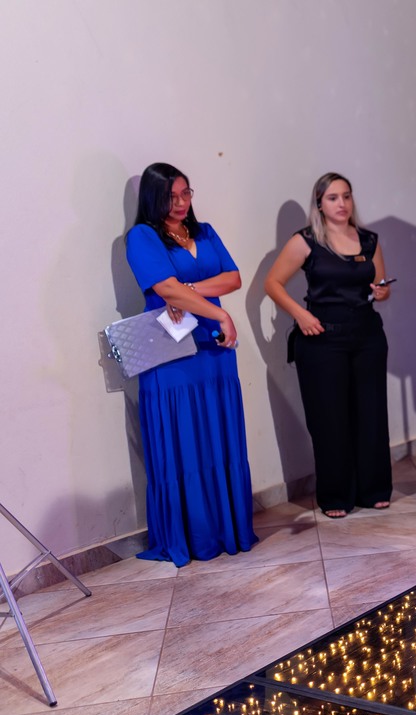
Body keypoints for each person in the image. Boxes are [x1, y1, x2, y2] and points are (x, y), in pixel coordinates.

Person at [124, 163, 257, 566]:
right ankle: (191, 535)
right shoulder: (142, 236)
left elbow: (233, 278)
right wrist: (219, 313)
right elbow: (164, 288)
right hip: (171, 352)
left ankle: (226, 529)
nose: (181, 203)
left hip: (214, 350)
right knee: (182, 438)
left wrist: (188, 290)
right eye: (171, 197)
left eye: (186, 193)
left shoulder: (205, 231)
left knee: (218, 434)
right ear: (154, 198)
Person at [264, 173, 393, 518]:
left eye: (346, 196)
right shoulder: (306, 241)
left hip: (367, 335)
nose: (342, 204)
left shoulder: (368, 240)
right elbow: (272, 283)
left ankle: (374, 489)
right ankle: (336, 496)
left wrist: (382, 291)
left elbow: (381, 286)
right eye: (333, 198)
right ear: (319, 203)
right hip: (323, 340)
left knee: (371, 414)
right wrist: (301, 315)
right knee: (330, 418)